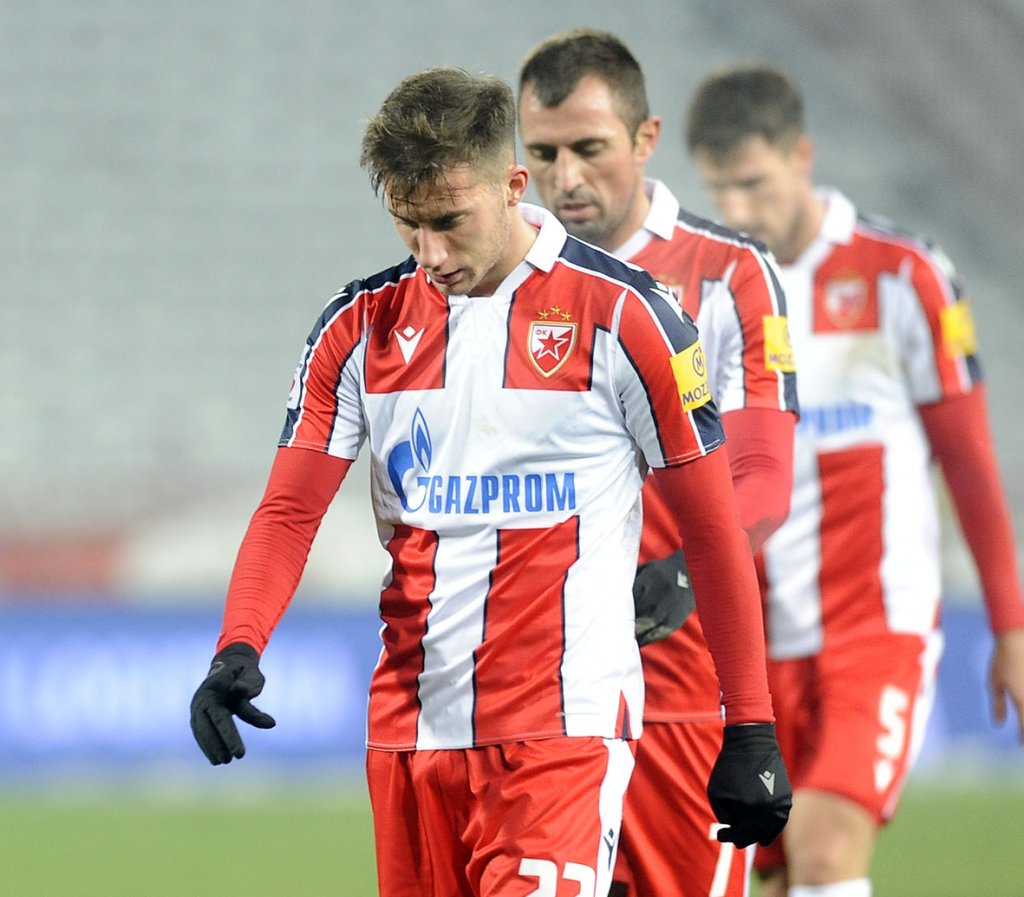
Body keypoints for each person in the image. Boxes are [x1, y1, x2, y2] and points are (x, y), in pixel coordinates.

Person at [188, 66, 791, 897]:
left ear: (512, 187)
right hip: (409, 737)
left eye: (449, 221)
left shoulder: (628, 318)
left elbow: (715, 527)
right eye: (408, 225)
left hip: (563, 735)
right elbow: (290, 510)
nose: (430, 253)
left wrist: (750, 722)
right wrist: (238, 644)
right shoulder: (356, 329)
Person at [684, 65, 1024, 897]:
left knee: (827, 854)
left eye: (754, 183)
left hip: (876, 628)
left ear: (802, 155)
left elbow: (969, 462)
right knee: (775, 873)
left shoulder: (902, 275)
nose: (737, 209)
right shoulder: (712, 294)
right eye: (719, 189)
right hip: (755, 642)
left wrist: (1011, 626)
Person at [518, 31, 799, 897]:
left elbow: (764, 474)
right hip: (541, 697)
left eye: (589, 148)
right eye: (543, 154)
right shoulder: (501, 278)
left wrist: (685, 571)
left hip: (678, 685)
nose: (567, 177)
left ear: (645, 139)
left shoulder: (731, 273)